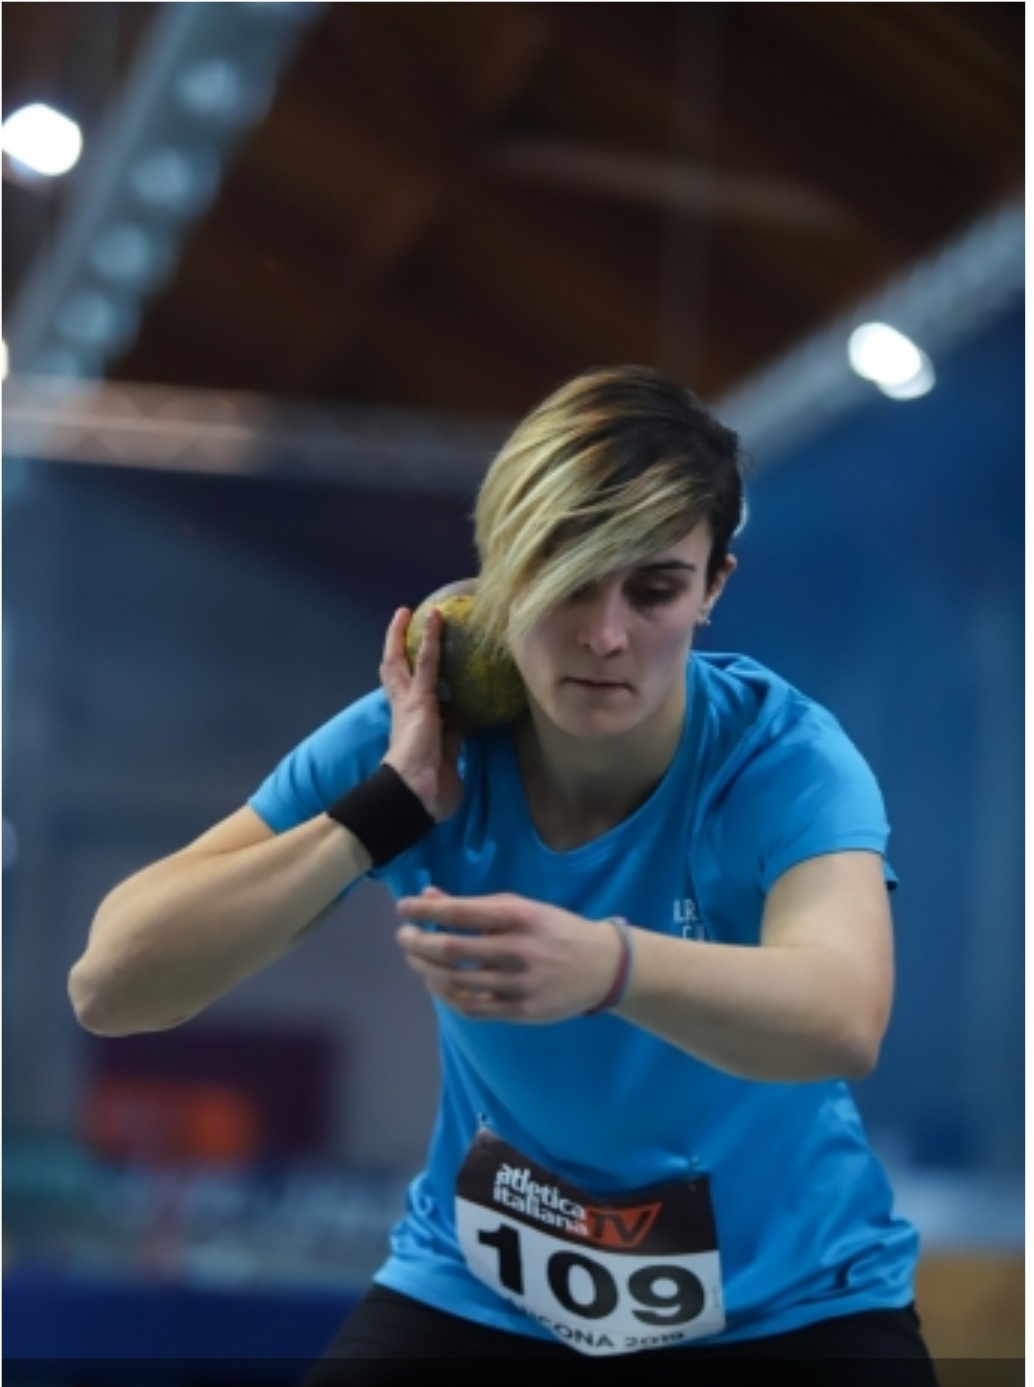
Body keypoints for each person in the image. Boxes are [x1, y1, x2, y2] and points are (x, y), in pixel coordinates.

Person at [70, 367, 936, 1381]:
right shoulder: (414, 737)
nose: (604, 634)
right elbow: (111, 984)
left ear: (712, 587)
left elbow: (844, 1015)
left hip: (790, 1309)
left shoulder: (779, 759)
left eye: (653, 589)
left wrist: (608, 966)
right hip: (482, 1298)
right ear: (500, 575)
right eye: (567, 576)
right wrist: (379, 816)